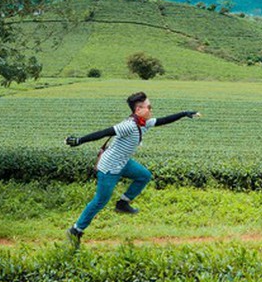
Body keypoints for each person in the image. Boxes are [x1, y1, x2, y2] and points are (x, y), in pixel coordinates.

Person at [64, 91, 200, 248]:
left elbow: (163, 120)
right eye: (149, 107)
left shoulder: (143, 123)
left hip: (123, 163)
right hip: (109, 168)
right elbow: (105, 132)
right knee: (100, 201)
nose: (151, 109)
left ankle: (123, 203)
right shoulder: (129, 125)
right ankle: (76, 230)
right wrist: (80, 140)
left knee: (144, 176)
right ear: (138, 110)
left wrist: (184, 114)